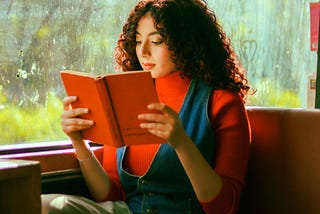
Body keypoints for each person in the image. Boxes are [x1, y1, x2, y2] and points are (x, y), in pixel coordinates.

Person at [42, 0, 252, 213]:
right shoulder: (125, 95)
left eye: (157, 41)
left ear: (188, 43)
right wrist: (78, 142)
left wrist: (181, 142)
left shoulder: (222, 102)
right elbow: (109, 194)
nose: (143, 51)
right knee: (46, 204)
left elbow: (225, 206)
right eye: (137, 40)